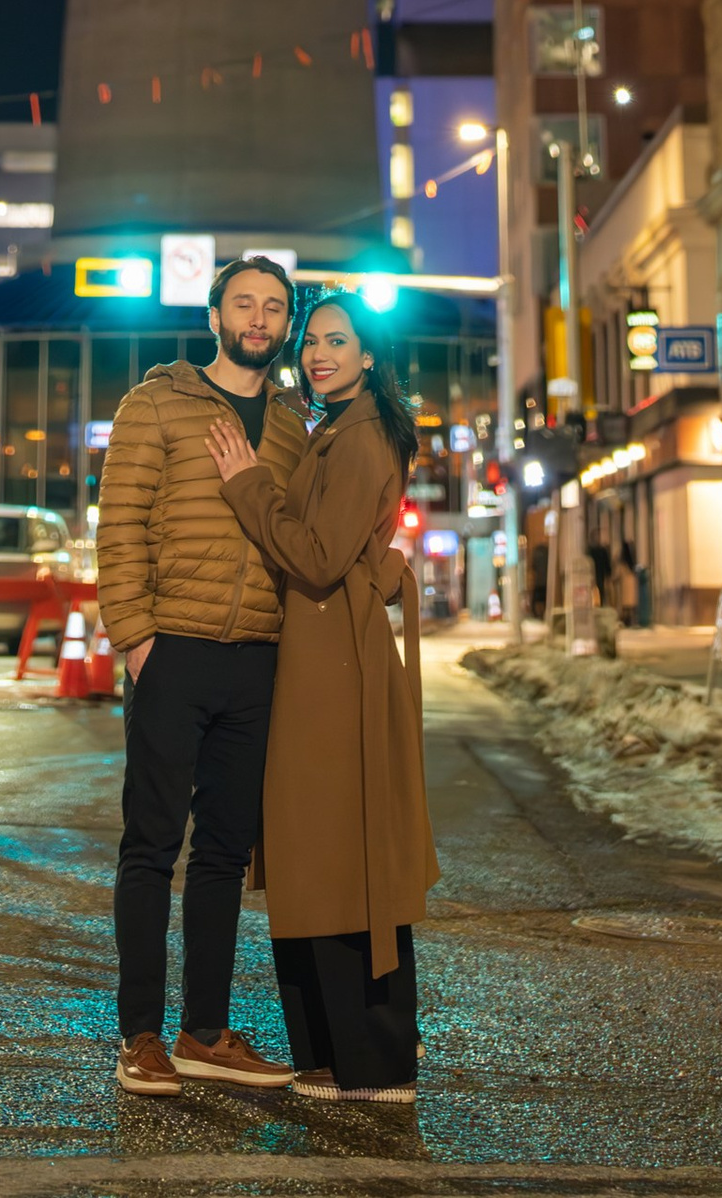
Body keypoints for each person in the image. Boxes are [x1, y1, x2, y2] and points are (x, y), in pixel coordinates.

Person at [208, 292, 438, 1099]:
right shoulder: (336, 429)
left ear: (370, 355)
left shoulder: (363, 435)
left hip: (335, 663)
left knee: (341, 851)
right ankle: (336, 1053)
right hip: (318, 656)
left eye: (337, 341)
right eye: (313, 340)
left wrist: (247, 486)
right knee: (318, 850)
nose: (318, 353)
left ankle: (370, 1059)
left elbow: (314, 554)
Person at [94, 252, 308, 1097]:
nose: (258, 319)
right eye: (243, 304)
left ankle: (205, 1033)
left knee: (223, 853)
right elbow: (119, 528)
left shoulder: (293, 425)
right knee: (151, 846)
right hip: (172, 650)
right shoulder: (156, 404)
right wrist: (138, 640)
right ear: (215, 313)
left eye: (272, 308)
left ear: (284, 326)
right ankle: (141, 1035)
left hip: (258, 659)